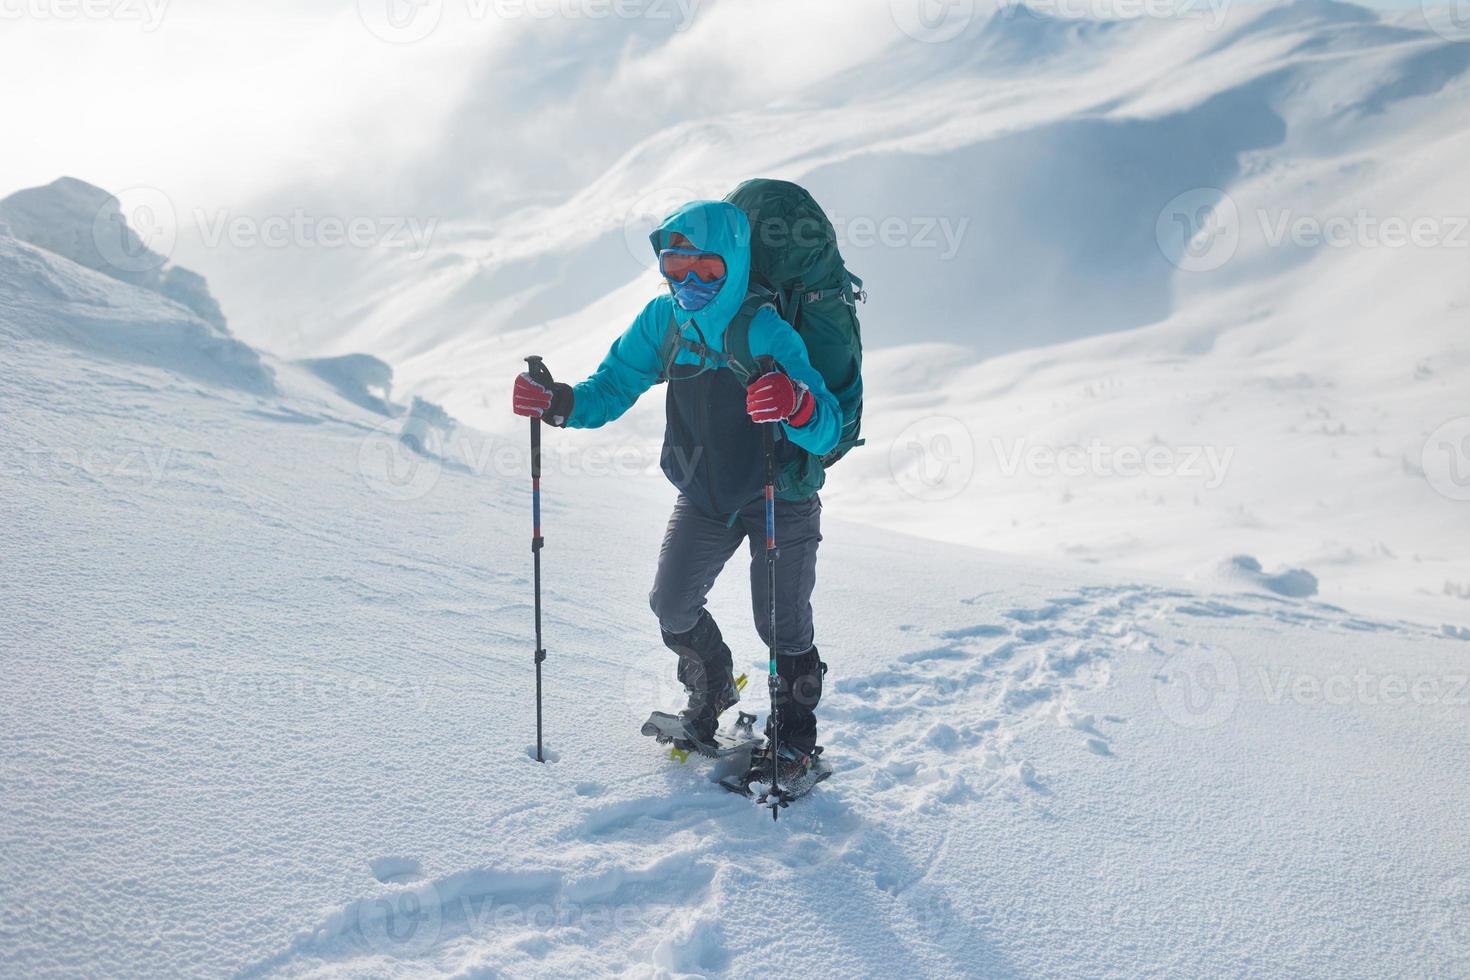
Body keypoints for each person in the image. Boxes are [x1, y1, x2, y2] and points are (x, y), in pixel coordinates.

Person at [511, 199, 840, 780]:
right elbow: (612, 384)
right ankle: (711, 688)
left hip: (777, 494)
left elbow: (829, 425)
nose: (689, 282)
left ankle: (795, 743)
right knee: (671, 603)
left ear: (734, 264)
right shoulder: (665, 322)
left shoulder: (764, 329)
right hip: (706, 493)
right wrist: (559, 403)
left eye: (706, 269)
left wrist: (797, 403)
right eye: (674, 266)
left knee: (780, 626)